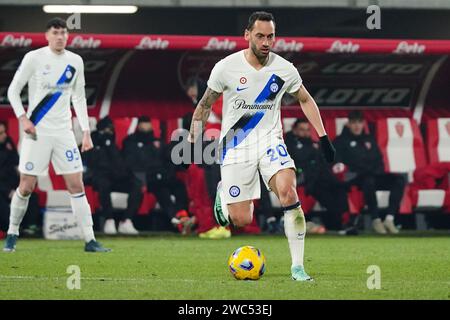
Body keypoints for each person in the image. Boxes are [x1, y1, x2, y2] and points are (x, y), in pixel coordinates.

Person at [188, 11, 335, 281]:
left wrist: (323, 136)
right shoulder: (225, 67)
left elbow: (305, 99)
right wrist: (193, 139)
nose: (266, 42)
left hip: (271, 142)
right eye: (260, 36)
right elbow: (206, 103)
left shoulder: (284, 69)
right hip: (236, 146)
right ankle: (225, 193)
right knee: (241, 220)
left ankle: (298, 267)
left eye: (271, 36)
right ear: (247, 35)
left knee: (288, 193)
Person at [4, 18, 110, 252]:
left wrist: (85, 132)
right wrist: (23, 117)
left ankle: (90, 240)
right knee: (26, 186)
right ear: (47, 35)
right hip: (37, 133)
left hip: (63, 134)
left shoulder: (75, 61)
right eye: (56, 32)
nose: (60, 36)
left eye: (64, 32)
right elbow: (13, 90)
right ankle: (12, 232)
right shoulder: (34, 58)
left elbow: (79, 98)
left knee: (76, 184)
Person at [333, 110, 405, 234]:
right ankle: (376, 220)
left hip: (375, 174)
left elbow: (379, 159)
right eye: (354, 123)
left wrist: (377, 170)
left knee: (398, 180)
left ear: (363, 124)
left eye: (359, 122)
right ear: (348, 124)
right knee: (368, 180)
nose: (357, 126)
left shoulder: (369, 139)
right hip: (355, 177)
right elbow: (338, 163)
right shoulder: (340, 141)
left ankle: (389, 219)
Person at [122, 116, 194, 234]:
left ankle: (182, 215)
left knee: (179, 186)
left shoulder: (158, 142)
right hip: (145, 178)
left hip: (162, 176)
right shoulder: (130, 142)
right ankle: (175, 218)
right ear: (139, 125)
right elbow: (130, 163)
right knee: (161, 190)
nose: (146, 126)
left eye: (148, 123)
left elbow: (166, 159)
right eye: (143, 123)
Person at [285, 119, 358, 235]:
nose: (305, 133)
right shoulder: (288, 145)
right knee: (327, 195)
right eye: (301, 130)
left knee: (339, 188)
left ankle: (344, 222)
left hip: (322, 178)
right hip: (306, 180)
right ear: (294, 130)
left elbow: (324, 163)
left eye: (307, 130)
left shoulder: (315, 144)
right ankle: (337, 225)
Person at [87, 117, 142, 235]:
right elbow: (91, 162)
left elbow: (119, 164)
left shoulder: (113, 144)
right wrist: (102, 144)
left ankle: (126, 220)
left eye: (110, 130)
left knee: (136, 185)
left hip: (115, 177)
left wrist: (109, 145)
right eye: (106, 130)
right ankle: (109, 219)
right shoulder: (90, 142)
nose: (109, 133)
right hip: (98, 177)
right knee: (104, 183)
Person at [0, 121, 42, 235]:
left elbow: (17, 161)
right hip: (2, 189)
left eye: (4, 132)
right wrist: (8, 192)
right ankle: (9, 229)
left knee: (31, 196)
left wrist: (22, 172)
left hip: (13, 183)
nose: (4, 135)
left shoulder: (8, 142)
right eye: (1, 133)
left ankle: (30, 227)